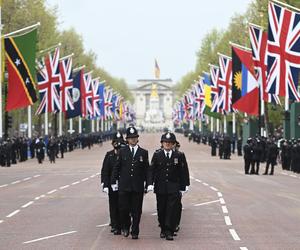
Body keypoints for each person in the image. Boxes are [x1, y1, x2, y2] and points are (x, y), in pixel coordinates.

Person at [147, 132, 188, 241]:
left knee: (172, 209)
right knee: (161, 209)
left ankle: (169, 231)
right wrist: (150, 183)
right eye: (165, 142)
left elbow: (183, 171)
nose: (168, 144)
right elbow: (151, 170)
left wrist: (184, 186)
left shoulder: (179, 155)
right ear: (162, 143)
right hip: (160, 187)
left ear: (174, 144)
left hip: (174, 186)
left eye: (170, 142)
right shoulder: (157, 155)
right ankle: (163, 229)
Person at [111, 126, 149, 240]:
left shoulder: (144, 152)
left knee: (137, 210)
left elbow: (147, 170)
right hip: (124, 186)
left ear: (138, 138)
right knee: (124, 209)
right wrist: (113, 181)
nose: (132, 139)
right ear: (127, 139)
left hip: (137, 187)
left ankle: (135, 230)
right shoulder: (122, 152)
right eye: (130, 138)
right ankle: (126, 226)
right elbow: (116, 168)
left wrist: (148, 183)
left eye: (134, 137)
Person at [101, 131, 124, 235]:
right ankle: (115, 225)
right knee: (113, 206)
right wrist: (105, 184)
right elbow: (105, 171)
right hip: (112, 185)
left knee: (123, 206)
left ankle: (123, 224)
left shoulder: (125, 154)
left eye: (119, 142)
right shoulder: (109, 155)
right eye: (116, 142)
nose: (117, 144)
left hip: (123, 184)